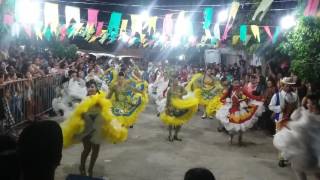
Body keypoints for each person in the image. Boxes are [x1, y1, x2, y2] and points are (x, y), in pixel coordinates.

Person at [61, 80, 128, 177]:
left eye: (92, 86)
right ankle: (82, 167)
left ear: (96, 88)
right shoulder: (85, 99)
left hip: (98, 129)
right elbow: (79, 114)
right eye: (88, 87)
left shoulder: (102, 100)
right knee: (87, 149)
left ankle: (90, 169)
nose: (90, 88)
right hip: (87, 128)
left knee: (96, 150)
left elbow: (107, 114)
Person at [273, 94, 320, 180]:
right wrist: (301, 106)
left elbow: (302, 126)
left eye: (310, 103)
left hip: (311, 151)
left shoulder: (315, 118)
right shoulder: (305, 112)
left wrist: (291, 124)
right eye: (307, 103)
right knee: (299, 169)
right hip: (302, 149)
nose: (308, 105)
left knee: (315, 172)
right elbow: (293, 117)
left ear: (316, 104)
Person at [216, 79, 259, 145]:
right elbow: (222, 98)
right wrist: (225, 102)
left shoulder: (242, 90)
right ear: (232, 83)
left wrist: (259, 98)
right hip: (232, 110)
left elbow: (250, 96)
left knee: (241, 126)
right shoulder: (230, 91)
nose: (236, 84)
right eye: (235, 83)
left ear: (239, 83)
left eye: (237, 83)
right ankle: (231, 138)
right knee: (232, 125)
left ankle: (240, 138)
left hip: (240, 110)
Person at [269, 77, 299, 167]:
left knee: (291, 139)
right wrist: (279, 108)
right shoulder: (277, 95)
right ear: (283, 85)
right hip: (281, 120)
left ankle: (288, 157)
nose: (289, 88)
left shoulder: (295, 96)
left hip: (292, 121)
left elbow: (298, 107)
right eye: (287, 86)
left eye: (290, 86)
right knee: (282, 139)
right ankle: (282, 158)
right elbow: (271, 106)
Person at [160, 76, 198, 142]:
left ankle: (176, 135)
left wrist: (181, 94)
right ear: (172, 82)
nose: (176, 82)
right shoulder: (170, 89)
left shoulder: (181, 87)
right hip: (171, 107)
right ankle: (170, 135)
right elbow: (168, 99)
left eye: (177, 81)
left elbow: (186, 92)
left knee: (180, 122)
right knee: (171, 122)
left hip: (180, 107)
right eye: (175, 81)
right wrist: (167, 107)